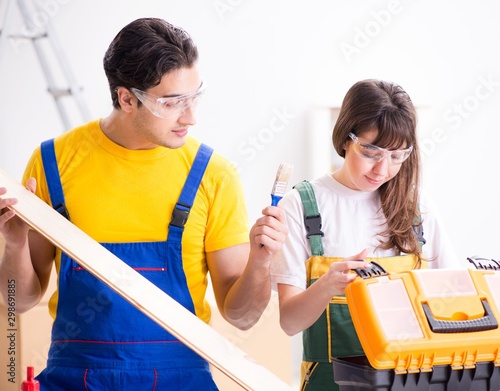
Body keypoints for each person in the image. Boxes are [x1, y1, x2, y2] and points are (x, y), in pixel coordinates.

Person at [0, 18, 287, 390]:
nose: (191, 117)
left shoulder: (213, 174)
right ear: (126, 98)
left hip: (180, 379)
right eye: (172, 102)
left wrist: (262, 260)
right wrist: (15, 244)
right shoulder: (52, 162)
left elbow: (242, 317)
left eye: (194, 96)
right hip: (75, 378)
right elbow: (17, 303)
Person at [270, 79, 462, 390]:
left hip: (415, 380)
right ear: (346, 138)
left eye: (397, 156)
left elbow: (452, 299)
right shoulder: (302, 206)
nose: (383, 169)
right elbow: (290, 323)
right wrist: (327, 285)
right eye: (371, 152)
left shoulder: (416, 207)